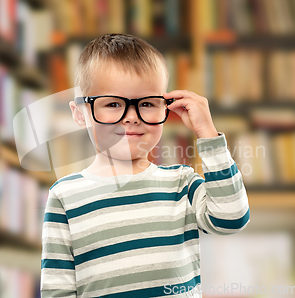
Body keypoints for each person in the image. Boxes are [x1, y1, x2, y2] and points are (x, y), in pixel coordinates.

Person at [40, 33, 250, 298]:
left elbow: (232, 219)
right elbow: (56, 290)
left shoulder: (182, 183)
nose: (131, 118)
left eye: (147, 104)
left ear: (166, 109)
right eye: (113, 104)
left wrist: (207, 133)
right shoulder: (64, 196)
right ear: (80, 114)